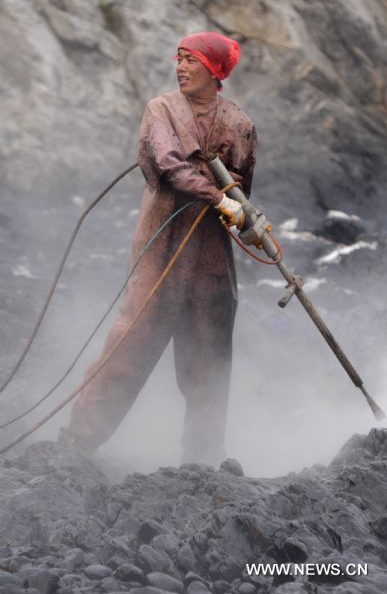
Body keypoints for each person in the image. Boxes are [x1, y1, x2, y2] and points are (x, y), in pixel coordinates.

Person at [59, 31, 257, 465]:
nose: (181, 67)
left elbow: (243, 197)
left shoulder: (240, 125)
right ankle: (79, 440)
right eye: (179, 58)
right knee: (132, 340)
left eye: (192, 60)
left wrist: (243, 218)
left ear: (215, 70)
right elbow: (167, 165)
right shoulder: (162, 109)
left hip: (210, 255)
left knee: (209, 351)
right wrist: (217, 195)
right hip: (162, 243)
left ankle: (203, 457)